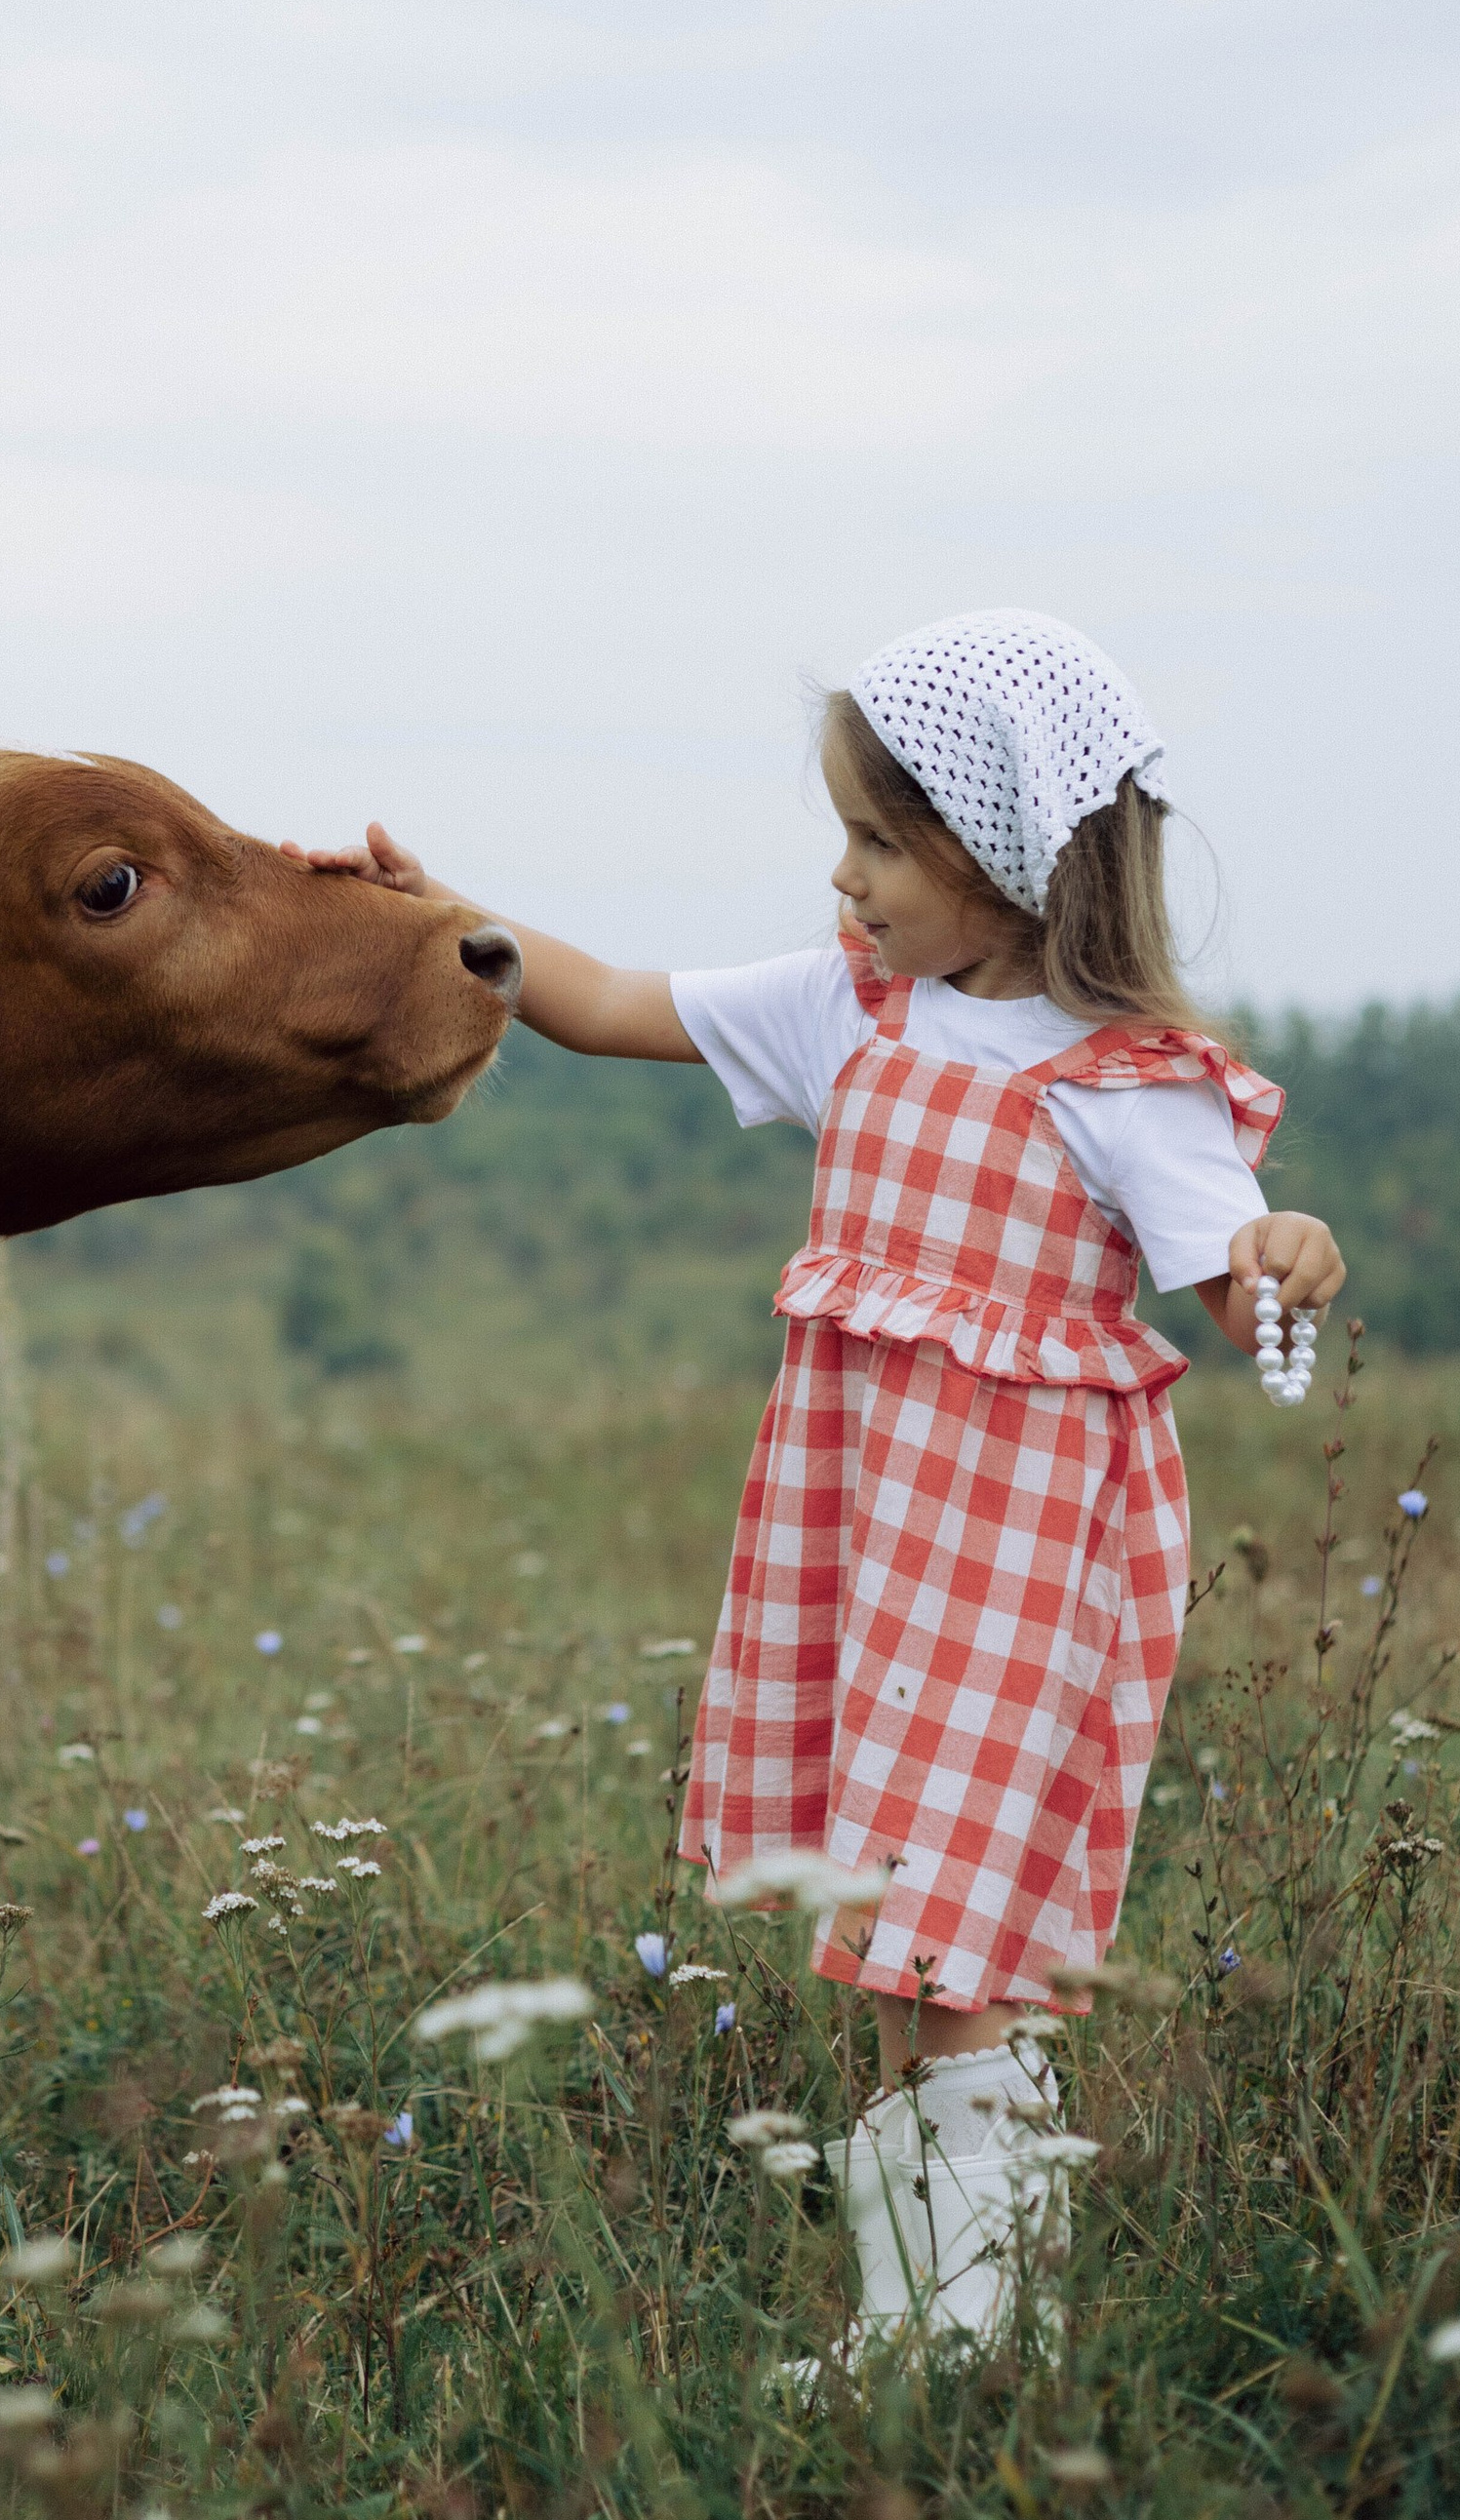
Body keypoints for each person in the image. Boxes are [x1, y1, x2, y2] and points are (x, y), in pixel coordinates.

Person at [288, 608, 1346, 2350]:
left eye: (878, 839)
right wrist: (429, 915)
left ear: (1005, 849)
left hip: (1012, 1561)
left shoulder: (1130, 1086)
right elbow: (609, 1002)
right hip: (864, 1548)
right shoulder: (856, 1009)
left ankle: (956, 2336)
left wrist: (1284, 1249)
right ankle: (943, 2309)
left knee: (946, 1947)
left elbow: (1238, 1280)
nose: (842, 877)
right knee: (887, 1933)